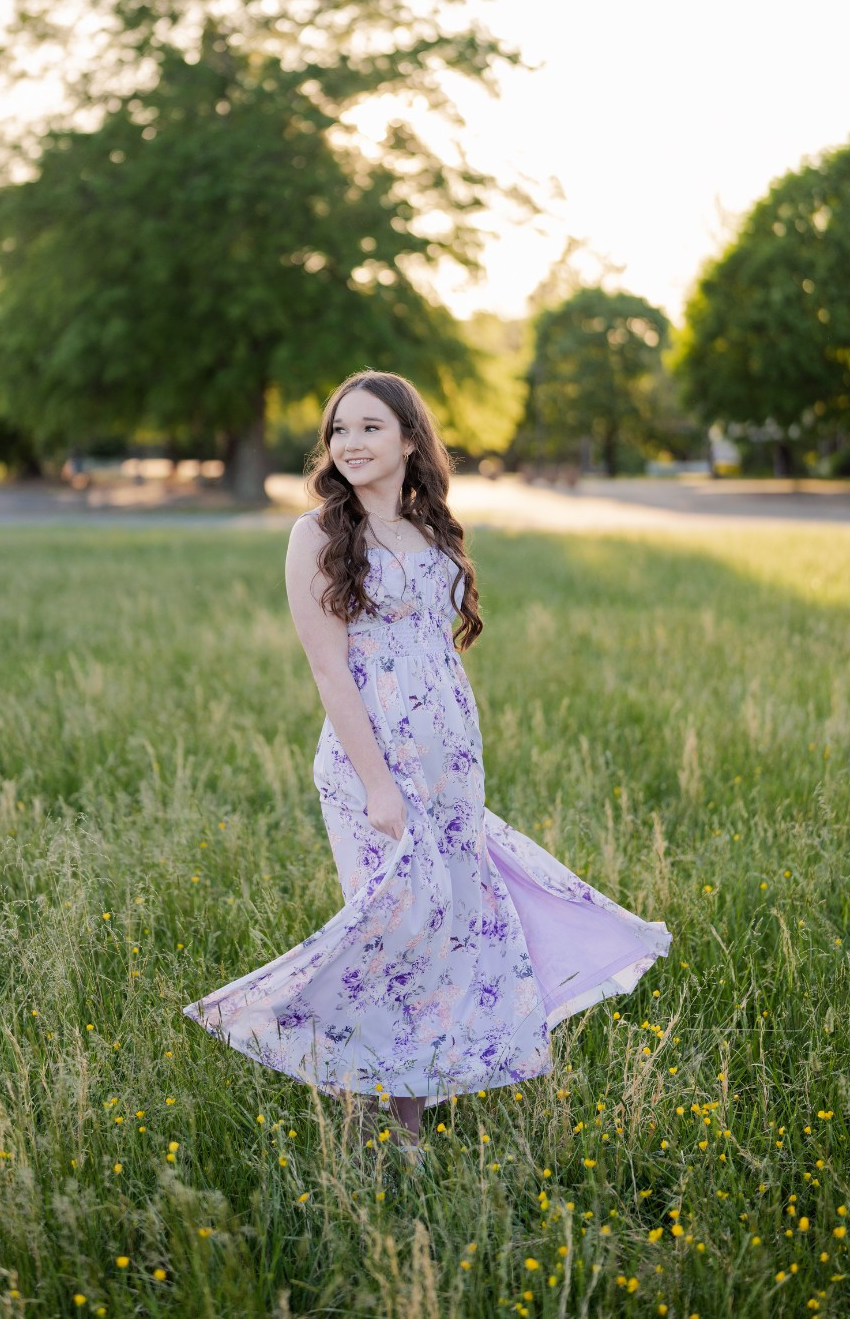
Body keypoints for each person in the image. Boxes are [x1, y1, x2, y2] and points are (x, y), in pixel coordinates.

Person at [181, 369, 672, 1169]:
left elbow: (439, 656)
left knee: (442, 934)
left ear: (411, 439)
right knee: (386, 932)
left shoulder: (433, 528)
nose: (349, 443)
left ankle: (406, 1124)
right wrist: (378, 785)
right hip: (370, 767)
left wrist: (455, 766)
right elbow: (331, 672)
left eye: (370, 428)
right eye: (339, 430)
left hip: (450, 768)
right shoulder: (317, 534)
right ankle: (352, 1112)